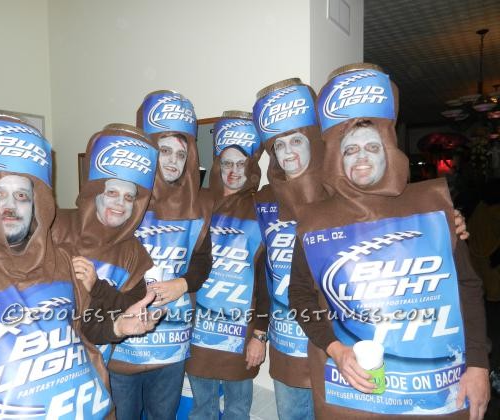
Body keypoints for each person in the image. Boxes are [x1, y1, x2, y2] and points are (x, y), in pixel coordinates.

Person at [289, 64, 490, 419]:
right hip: (350, 388)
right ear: (339, 160)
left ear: (389, 151)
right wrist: (335, 348)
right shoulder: (314, 221)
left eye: (372, 146)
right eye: (351, 150)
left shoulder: (432, 207)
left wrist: (478, 364)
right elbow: (300, 296)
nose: (362, 156)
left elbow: (468, 287)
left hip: (432, 387)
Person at [0, 111, 116, 418]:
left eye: (22, 195)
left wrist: (119, 325)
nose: (10, 206)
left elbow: (84, 328)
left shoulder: (60, 260)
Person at [107, 91, 212, 420]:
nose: (171, 160)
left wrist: (184, 283)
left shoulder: (197, 207)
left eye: (180, 154)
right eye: (164, 150)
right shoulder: (122, 199)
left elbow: (202, 260)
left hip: (172, 343)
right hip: (124, 345)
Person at [52, 123, 162, 363]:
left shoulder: (134, 251)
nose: (120, 203)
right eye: (112, 193)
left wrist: (96, 287)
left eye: (129, 197)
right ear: (96, 194)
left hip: (94, 363)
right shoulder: (57, 225)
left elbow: (131, 306)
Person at [186, 111, 268, 419]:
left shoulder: (262, 208)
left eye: (242, 164)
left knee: (236, 411)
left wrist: (259, 334)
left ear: (252, 167)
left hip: (241, 333)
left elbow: (265, 278)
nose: (233, 171)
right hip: (196, 332)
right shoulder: (199, 201)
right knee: (202, 410)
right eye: (227, 163)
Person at [252, 78, 326, 420]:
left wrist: (448, 220)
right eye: (279, 145)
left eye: (296, 140)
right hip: (286, 346)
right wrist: (259, 331)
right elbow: (258, 271)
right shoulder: (266, 200)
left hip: (334, 345)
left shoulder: (338, 191)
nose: (289, 152)